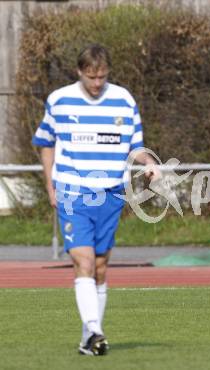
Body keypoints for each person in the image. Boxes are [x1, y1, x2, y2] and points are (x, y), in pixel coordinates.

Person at [32, 44, 160, 355]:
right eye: (91, 76)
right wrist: (50, 182)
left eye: (102, 76)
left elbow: (136, 146)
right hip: (73, 191)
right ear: (79, 72)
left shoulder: (123, 100)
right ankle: (96, 332)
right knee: (84, 261)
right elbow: (45, 142)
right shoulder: (60, 100)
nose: (97, 82)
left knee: (100, 267)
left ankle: (88, 339)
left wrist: (150, 163)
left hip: (111, 193)